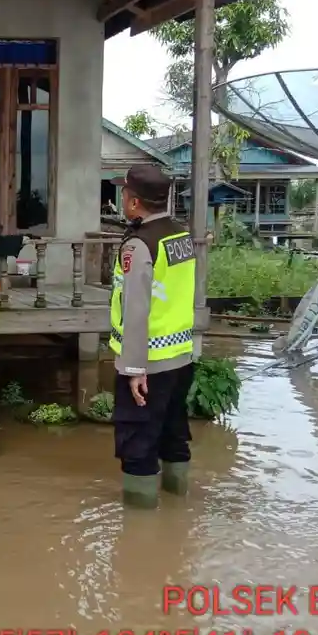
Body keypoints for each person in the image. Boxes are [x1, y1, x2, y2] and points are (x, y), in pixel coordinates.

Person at [108, 164, 197, 509]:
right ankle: (178, 510)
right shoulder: (181, 237)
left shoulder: (140, 245)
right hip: (181, 358)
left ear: (133, 203)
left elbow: (135, 309)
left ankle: (140, 532)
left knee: (137, 444)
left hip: (148, 364)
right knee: (174, 435)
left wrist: (133, 369)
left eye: (124, 193)